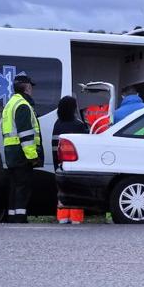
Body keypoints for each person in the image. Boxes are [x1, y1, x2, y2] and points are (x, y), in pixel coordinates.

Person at [2, 75, 44, 224]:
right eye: (30, 86)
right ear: (27, 87)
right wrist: (32, 156)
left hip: (11, 152)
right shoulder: (23, 105)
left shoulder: (10, 104)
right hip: (22, 153)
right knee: (22, 188)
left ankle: (12, 216)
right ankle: (20, 217)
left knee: (14, 186)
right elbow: (26, 135)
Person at [52, 96, 88, 224]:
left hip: (60, 164)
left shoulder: (57, 124)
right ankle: (76, 218)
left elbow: (54, 147)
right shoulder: (79, 125)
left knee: (62, 190)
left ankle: (62, 217)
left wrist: (56, 165)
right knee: (76, 190)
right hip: (76, 164)